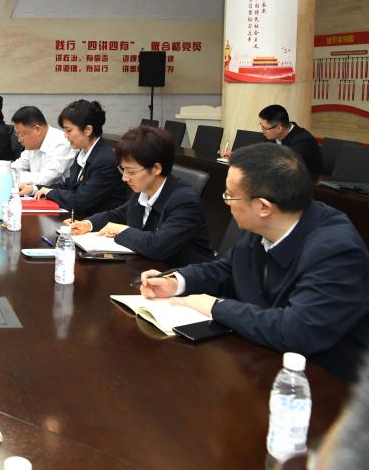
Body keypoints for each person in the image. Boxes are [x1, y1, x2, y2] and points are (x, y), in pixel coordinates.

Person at [140, 143, 369, 384]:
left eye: (230, 194)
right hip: (262, 357)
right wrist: (177, 281)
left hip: (323, 382)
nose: (226, 201)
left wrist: (216, 306)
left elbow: (297, 331)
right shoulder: (265, 224)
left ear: (263, 207)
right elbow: (227, 268)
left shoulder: (337, 251)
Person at [69, 125, 214, 266]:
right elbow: (118, 215)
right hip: (147, 268)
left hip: (182, 276)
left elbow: (158, 246)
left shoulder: (185, 201)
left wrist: (122, 230)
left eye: (131, 172)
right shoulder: (144, 190)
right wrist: (87, 224)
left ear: (156, 168)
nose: (124, 178)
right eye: (123, 170)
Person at [34, 100, 129, 217]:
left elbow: (80, 201)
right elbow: (69, 186)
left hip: (101, 223)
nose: (65, 135)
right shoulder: (83, 153)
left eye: (69, 130)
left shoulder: (105, 160)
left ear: (87, 130)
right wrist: (34, 189)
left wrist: (50, 193)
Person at [10, 106, 75, 194]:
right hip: (38, 194)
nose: (19, 140)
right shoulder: (32, 145)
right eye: (17, 135)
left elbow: (45, 179)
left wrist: (11, 175)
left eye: (21, 135)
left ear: (37, 129)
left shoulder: (61, 143)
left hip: (57, 197)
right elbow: (18, 166)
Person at [258, 104, 324, 180]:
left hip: (306, 182)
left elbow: (288, 167)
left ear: (279, 128)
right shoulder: (270, 136)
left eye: (265, 128)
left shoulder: (303, 140)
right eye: (261, 126)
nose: (263, 131)